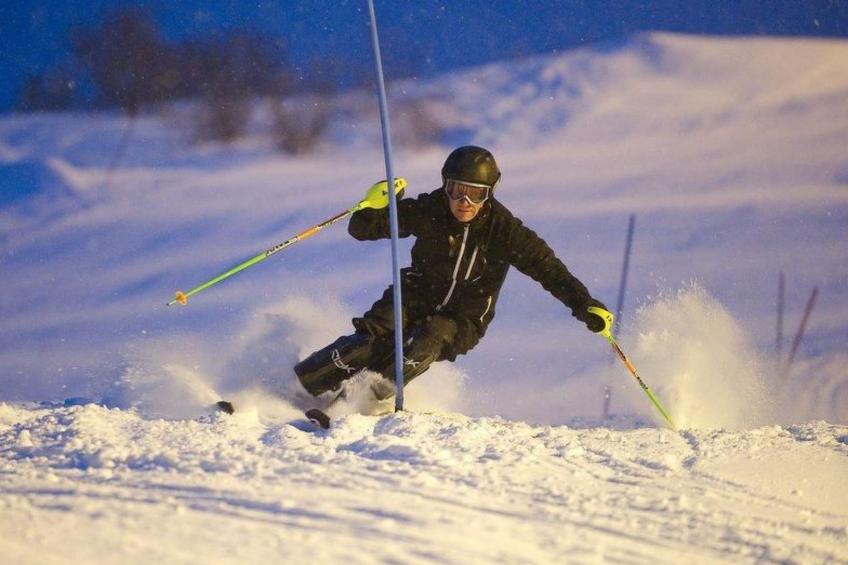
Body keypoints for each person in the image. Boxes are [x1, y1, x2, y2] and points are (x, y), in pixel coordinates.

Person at [294, 145, 610, 406]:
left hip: (463, 317)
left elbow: (549, 270)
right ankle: (298, 386)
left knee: (428, 338)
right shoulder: (432, 208)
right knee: (368, 342)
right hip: (413, 295)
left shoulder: (505, 231)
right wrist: (376, 206)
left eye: (476, 194)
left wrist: (584, 304)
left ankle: (361, 401)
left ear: (490, 193)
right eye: (457, 191)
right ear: (446, 186)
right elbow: (363, 230)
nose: (464, 202)